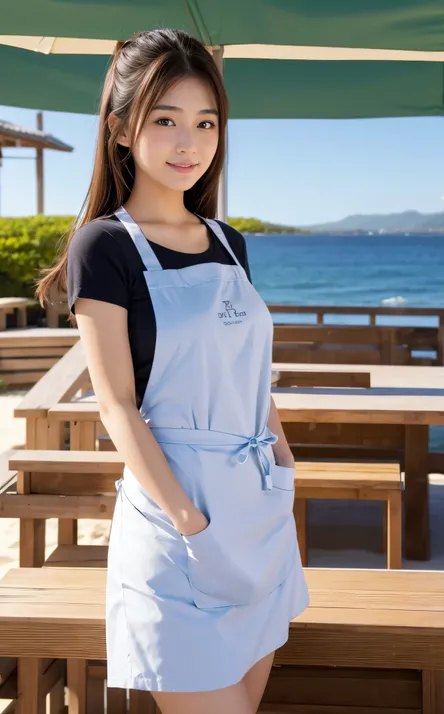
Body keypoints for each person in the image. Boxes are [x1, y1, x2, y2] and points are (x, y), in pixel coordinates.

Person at [36, 27, 309, 714]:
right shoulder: (105, 246)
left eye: (205, 123)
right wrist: (189, 522)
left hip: (258, 513)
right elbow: (118, 407)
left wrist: (282, 464)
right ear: (122, 129)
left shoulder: (228, 241)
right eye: (166, 120)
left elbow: (248, 369)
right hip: (178, 525)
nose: (189, 143)